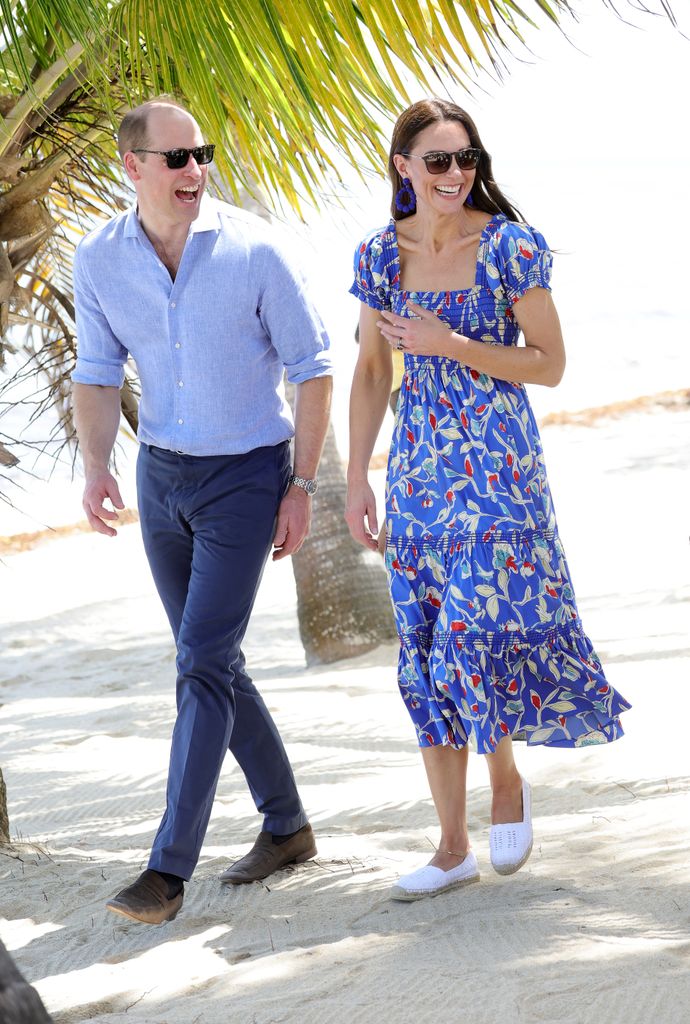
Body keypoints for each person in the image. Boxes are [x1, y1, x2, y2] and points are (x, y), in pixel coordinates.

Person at [346, 98, 630, 901]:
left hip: (501, 479)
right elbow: (371, 372)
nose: (455, 174)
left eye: (465, 159)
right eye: (437, 160)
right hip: (417, 481)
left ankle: (505, 782)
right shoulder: (378, 258)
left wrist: (451, 344)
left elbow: (550, 364)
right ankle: (450, 847)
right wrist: (356, 475)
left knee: (472, 642)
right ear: (402, 165)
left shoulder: (508, 247)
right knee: (428, 657)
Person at [71, 98, 333, 924]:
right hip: (161, 482)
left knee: (200, 665)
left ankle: (166, 872)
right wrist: (94, 468)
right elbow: (98, 370)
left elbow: (315, 368)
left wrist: (302, 486)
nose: (194, 171)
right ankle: (287, 826)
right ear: (134, 167)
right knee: (213, 660)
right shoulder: (99, 259)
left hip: (247, 479)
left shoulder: (256, 250)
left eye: (201, 156)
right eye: (176, 158)